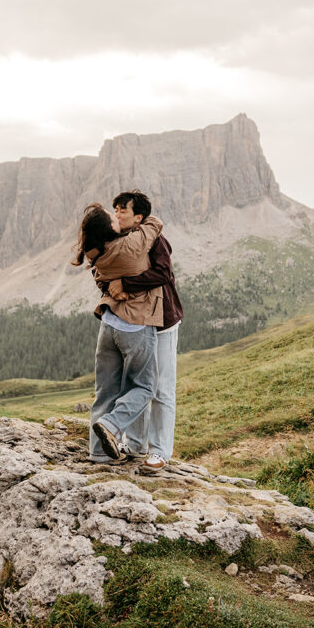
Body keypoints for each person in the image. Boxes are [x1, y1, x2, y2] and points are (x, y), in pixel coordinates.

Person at [71, 203, 164, 462]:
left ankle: (98, 454)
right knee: (145, 387)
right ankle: (112, 424)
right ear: (111, 227)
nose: (118, 217)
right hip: (135, 326)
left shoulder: (95, 252)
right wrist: (136, 220)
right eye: (114, 217)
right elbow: (155, 224)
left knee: (106, 391)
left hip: (108, 325)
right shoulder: (130, 245)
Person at [104, 191, 183, 471]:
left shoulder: (156, 239)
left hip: (162, 323)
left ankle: (160, 450)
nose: (116, 213)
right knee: (136, 383)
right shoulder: (117, 239)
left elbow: (163, 273)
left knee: (161, 388)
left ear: (139, 217)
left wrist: (126, 284)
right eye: (114, 208)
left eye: (122, 209)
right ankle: (135, 445)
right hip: (136, 324)